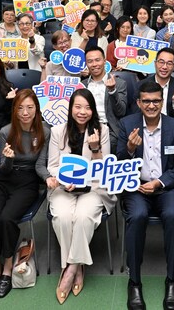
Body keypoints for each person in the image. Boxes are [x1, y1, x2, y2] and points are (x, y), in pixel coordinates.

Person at [116, 81, 174, 310]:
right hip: (137, 187)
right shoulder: (127, 125)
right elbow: (117, 163)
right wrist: (128, 149)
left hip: (167, 186)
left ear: (162, 101)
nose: (151, 105)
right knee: (136, 216)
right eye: (146, 101)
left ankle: (171, 279)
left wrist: (160, 182)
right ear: (138, 102)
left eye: (156, 100)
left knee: (173, 215)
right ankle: (134, 281)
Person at [47, 89, 117, 304]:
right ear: (70, 109)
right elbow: (52, 165)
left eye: (87, 108)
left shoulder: (101, 130)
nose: (82, 112)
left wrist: (95, 149)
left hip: (94, 188)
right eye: (77, 107)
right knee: (63, 216)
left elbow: (103, 169)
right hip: (64, 187)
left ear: (93, 110)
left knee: (84, 217)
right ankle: (77, 267)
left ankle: (70, 269)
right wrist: (63, 179)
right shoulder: (58, 130)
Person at [0, 89, 51, 299]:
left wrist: (47, 177)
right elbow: (3, 168)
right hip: (3, 179)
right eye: (20, 108)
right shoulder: (6, 131)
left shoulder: (44, 132)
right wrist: (9, 159)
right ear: (15, 110)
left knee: (7, 219)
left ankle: (8, 267)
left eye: (30, 107)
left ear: (36, 109)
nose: (25, 112)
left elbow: (39, 165)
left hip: (28, 181)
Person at [83, 46, 127, 151]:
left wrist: (112, 91)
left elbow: (121, 112)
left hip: (109, 129)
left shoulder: (119, 83)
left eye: (97, 60)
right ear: (86, 64)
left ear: (104, 61)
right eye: (90, 61)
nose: (94, 64)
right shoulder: (82, 85)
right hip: (85, 128)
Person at [138, 47, 174, 124]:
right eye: (161, 62)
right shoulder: (141, 85)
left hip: (170, 128)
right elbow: (135, 113)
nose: (164, 67)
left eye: (169, 63)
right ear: (155, 63)